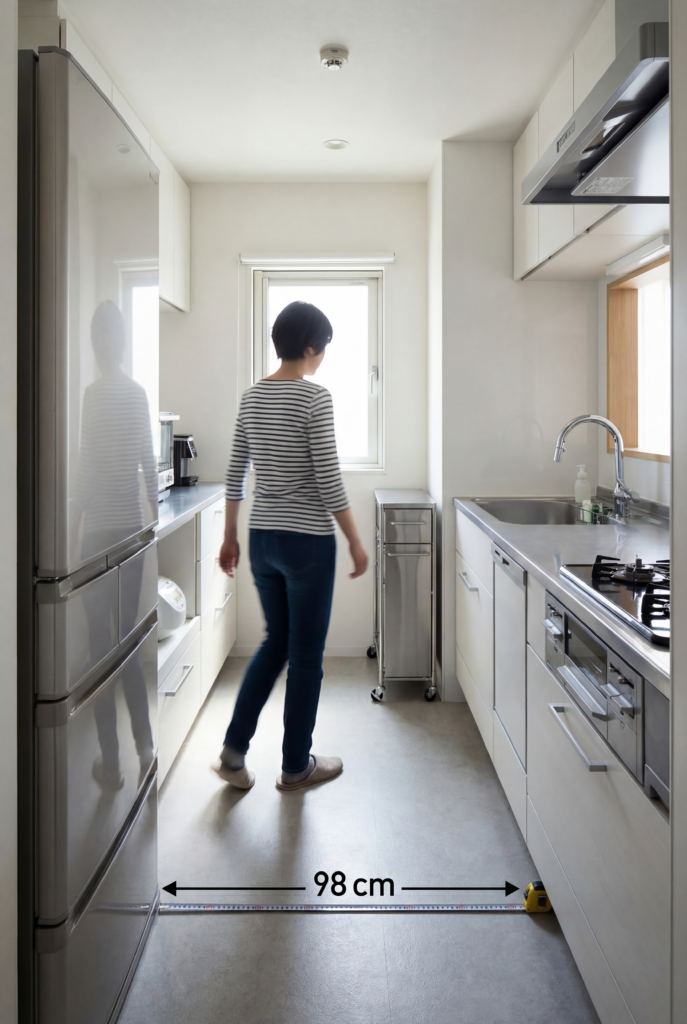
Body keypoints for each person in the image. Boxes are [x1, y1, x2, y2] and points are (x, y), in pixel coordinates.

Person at [214, 300, 368, 792]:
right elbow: (328, 479)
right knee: (305, 657)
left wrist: (228, 536)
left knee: (274, 644)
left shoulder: (251, 397)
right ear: (309, 347)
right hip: (307, 545)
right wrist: (355, 540)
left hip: (262, 541)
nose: (321, 357)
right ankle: (296, 765)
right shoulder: (313, 398)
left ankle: (233, 755)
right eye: (321, 349)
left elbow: (235, 473)